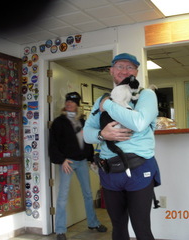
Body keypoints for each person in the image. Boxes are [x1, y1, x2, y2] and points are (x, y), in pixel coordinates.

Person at [83, 53, 161, 240]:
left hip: (139, 168)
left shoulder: (146, 95)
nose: (124, 70)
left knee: (141, 228)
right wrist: (102, 134)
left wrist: (108, 105)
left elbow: (139, 122)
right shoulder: (102, 99)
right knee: (118, 228)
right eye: (119, 66)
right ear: (111, 70)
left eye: (130, 67)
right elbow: (87, 134)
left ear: (136, 72)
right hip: (110, 171)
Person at [49, 92, 107, 240]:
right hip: (67, 162)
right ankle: (60, 230)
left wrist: (91, 158)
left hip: (82, 162)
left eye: (72, 102)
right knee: (62, 197)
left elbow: (86, 141)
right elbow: (53, 144)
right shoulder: (58, 122)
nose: (69, 103)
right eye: (67, 101)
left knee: (88, 194)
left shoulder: (82, 121)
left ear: (77, 105)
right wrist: (61, 160)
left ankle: (93, 223)